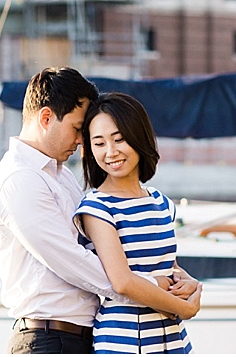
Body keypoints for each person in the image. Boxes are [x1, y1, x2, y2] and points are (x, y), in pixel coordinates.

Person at [0, 67, 201, 354]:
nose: (80, 141)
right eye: (77, 129)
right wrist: (158, 288)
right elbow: (75, 262)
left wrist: (179, 279)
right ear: (46, 118)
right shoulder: (20, 179)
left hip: (81, 336)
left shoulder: (59, 175)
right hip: (48, 339)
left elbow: (116, 252)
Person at [74, 92, 198, 353]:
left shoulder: (161, 202)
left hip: (173, 338)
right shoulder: (97, 207)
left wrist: (192, 284)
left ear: (138, 135)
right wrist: (186, 308)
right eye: (99, 143)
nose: (111, 152)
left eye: (119, 139)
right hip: (125, 340)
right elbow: (122, 282)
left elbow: (169, 266)